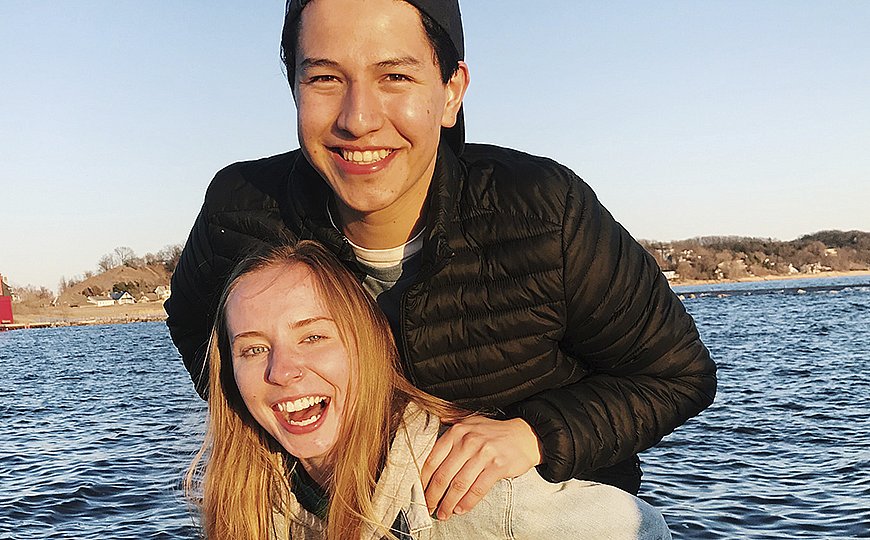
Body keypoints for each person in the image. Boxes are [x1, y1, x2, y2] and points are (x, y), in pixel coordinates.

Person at [168, 0, 716, 520]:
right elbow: (197, 328)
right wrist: (292, 423)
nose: (358, 119)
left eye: (394, 76)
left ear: (452, 91)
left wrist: (533, 435)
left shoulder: (544, 211)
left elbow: (676, 375)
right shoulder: (240, 211)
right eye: (325, 79)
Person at [185, 240, 673, 539]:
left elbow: (641, 530)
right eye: (252, 349)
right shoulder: (250, 503)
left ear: (366, 346)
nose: (282, 371)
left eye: (313, 337)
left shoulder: (470, 495)